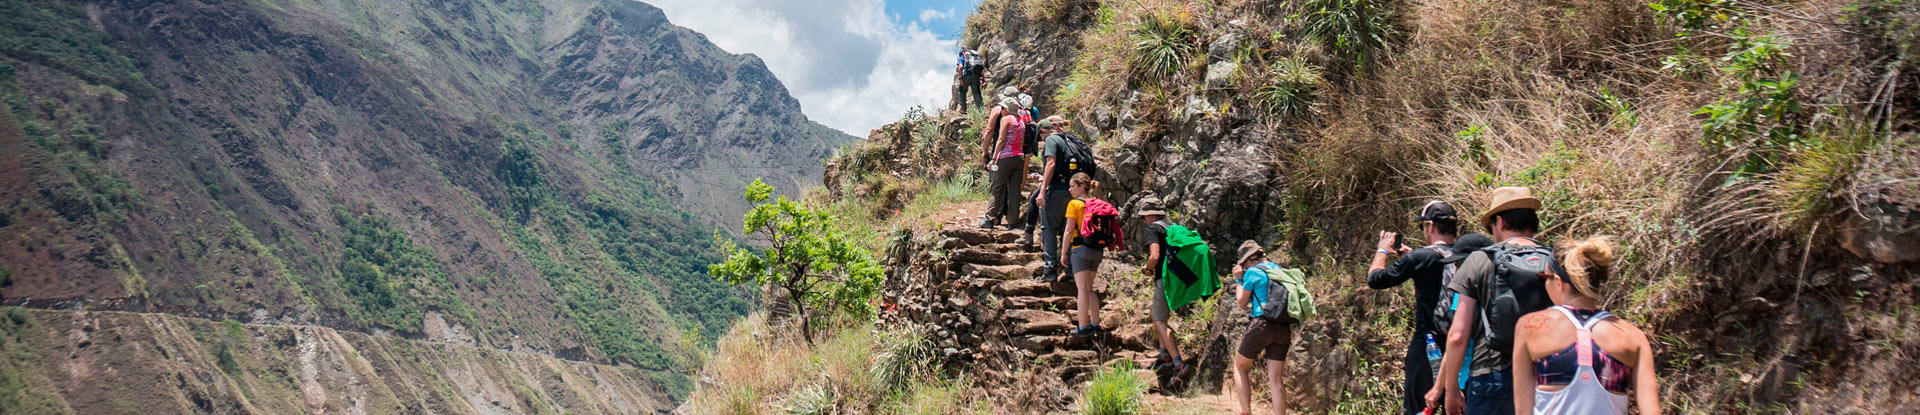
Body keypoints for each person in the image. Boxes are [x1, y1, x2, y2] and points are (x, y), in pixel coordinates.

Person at [1433, 187, 1556, 415]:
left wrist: (1450, 389)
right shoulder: (1556, 260)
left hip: (1490, 376)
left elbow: (1458, 335)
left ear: (1499, 222)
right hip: (1547, 375)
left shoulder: (1480, 260)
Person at [1512, 237, 1661, 415]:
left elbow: (1523, 411)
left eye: (1546, 278)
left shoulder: (1529, 327)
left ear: (1558, 282)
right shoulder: (1633, 336)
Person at [1364, 200, 1461, 415]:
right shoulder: (1466, 254)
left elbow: (1375, 279)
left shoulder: (1421, 257)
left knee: (1418, 407)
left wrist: (1382, 251)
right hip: (1462, 346)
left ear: (1431, 226)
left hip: (1427, 345)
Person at [1232, 240, 1291, 415]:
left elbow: (1242, 302)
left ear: (1248, 260)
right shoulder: (1279, 270)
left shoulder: (1252, 272)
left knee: (1240, 366)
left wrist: (1238, 280)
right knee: (1276, 379)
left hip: (1261, 324)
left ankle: (1246, 412)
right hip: (1283, 327)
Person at [1135, 196, 1190, 378]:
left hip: (1164, 278)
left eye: (1144, 216)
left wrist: (1147, 269)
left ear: (1150, 215)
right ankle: (1164, 354)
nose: (1143, 220)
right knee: (1157, 313)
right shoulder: (1171, 227)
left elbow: (1154, 256)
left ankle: (1178, 363)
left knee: (1159, 320)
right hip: (1178, 278)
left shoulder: (1153, 228)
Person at [1060, 173, 1104, 337]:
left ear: (1081, 187)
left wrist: (1064, 253)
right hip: (1097, 250)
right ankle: (1095, 324)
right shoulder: (1097, 203)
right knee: (1090, 289)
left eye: (1072, 186)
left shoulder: (1074, 204)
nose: (1070, 189)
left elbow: (1069, 229)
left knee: (1082, 290)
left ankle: (1083, 326)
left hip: (1080, 249)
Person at [1034, 115, 1077, 282]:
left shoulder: (1052, 141)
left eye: (1040, 137)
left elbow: (1051, 163)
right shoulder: (1070, 140)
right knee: (1069, 230)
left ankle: (1050, 271)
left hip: (1056, 191)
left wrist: (1042, 190)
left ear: (1044, 131)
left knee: (1049, 229)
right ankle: (1070, 272)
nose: (1041, 141)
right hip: (1072, 193)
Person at [977, 96, 1027, 230]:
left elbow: (1001, 139)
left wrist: (993, 158)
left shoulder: (1006, 119)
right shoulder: (1021, 122)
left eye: (1003, 108)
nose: (1002, 110)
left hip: (1005, 158)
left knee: (997, 188)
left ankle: (989, 219)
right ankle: (1012, 222)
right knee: (1015, 190)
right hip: (1019, 158)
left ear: (1007, 109)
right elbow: (1021, 142)